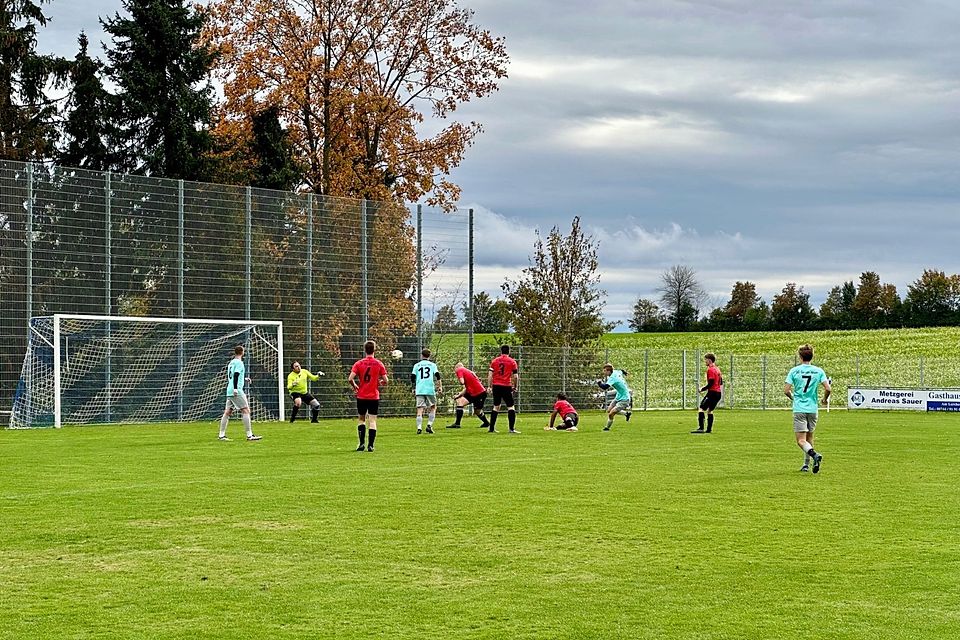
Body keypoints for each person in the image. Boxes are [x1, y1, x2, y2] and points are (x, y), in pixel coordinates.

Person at [784, 344, 831, 473]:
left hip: (800, 408)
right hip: (813, 408)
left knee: (800, 441)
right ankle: (806, 464)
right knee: (809, 438)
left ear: (800, 356)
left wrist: (794, 398)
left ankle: (814, 455)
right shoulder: (818, 371)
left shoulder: (794, 371)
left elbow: (786, 390)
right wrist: (825, 399)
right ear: (812, 356)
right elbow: (828, 388)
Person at [348, 340, 389, 452]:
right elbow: (386, 380)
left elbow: (350, 378)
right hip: (373, 396)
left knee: (361, 419)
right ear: (374, 350)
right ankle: (370, 445)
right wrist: (380, 382)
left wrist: (355, 386)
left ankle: (361, 444)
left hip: (361, 395)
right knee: (372, 420)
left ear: (365, 350)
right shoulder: (379, 363)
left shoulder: (359, 363)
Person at [218, 344, 261, 441]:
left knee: (227, 412)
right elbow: (236, 374)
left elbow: (233, 375)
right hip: (235, 390)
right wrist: (236, 388)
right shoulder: (239, 363)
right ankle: (250, 435)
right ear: (242, 352)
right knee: (246, 410)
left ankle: (221, 435)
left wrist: (244, 378)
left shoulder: (231, 363)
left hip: (229, 389)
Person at [447, 362, 492, 430]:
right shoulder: (469, 371)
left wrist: (460, 380)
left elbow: (462, 382)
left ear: (456, 367)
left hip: (479, 393)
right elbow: (467, 387)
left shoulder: (459, 370)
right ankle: (457, 424)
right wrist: (458, 395)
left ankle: (486, 423)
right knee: (460, 402)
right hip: (473, 392)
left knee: (477, 411)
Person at [487, 344, 520, 434]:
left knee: (496, 407)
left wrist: (489, 386)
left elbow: (490, 374)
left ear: (501, 351)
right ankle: (511, 429)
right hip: (506, 386)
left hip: (496, 386)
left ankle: (491, 428)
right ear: (509, 351)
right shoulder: (512, 362)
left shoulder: (494, 361)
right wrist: (515, 386)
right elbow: (516, 376)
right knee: (510, 407)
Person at [410, 348, 442, 434]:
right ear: (429, 356)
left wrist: (413, 388)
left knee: (420, 409)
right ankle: (429, 425)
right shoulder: (432, 365)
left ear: (421, 355)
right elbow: (437, 375)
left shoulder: (417, 365)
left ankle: (419, 427)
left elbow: (412, 377)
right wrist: (439, 386)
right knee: (433, 406)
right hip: (429, 389)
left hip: (419, 389)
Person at [692, 353, 722, 434]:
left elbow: (711, 383)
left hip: (712, 392)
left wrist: (702, 389)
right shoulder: (717, 369)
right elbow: (721, 382)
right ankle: (709, 429)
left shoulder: (711, 370)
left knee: (701, 409)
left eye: (705, 359)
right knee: (710, 410)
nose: (705, 361)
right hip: (718, 393)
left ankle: (701, 428)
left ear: (709, 360)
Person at [599, 364, 632, 431]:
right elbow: (622, 371)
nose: (604, 372)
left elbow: (605, 387)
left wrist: (599, 383)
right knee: (609, 410)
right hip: (618, 396)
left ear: (609, 371)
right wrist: (625, 373)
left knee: (611, 413)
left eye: (605, 371)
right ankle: (626, 413)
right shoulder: (616, 371)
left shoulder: (612, 378)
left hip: (625, 398)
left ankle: (607, 428)